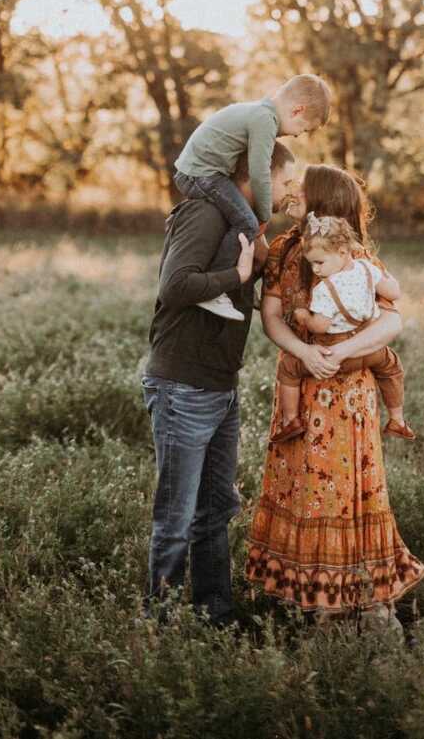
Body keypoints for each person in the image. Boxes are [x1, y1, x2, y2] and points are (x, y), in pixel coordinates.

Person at [245, 163, 424, 627]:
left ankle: (365, 598)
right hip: (301, 389)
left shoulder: (355, 256)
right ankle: (316, 600)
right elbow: (270, 317)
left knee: (349, 494)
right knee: (307, 493)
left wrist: (342, 349)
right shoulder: (287, 251)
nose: (292, 194)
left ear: (323, 201)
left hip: (348, 396)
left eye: (301, 191)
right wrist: (303, 353)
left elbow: (393, 320)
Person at [142, 140, 300, 626]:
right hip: (183, 386)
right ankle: (158, 625)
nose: (286, 192)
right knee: (176, 519)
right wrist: (237, 274)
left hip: (220, 386)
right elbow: (176, 286)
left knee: (215, 508)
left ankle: (216, 615)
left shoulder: (243, 225)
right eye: (284, 182)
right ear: (257, 175)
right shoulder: (204, 213)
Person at [172, 75, 332, 320]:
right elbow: (259, 173)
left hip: (205, 172)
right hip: (199, 174)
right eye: (303, 128)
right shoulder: (264, 120)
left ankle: (241, 289)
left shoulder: (260, 113)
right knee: (248, 222)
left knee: (252, 230)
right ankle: (215, 287)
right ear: (297, 110)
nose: (299, 135)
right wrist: (264, 214)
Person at [273, 211, 416, 444]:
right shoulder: (367, 268)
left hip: (334, 353)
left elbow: (321, 326)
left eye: (319, 262)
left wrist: (304, 317)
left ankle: (290, 421)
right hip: (368, 350)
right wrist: (385, 278)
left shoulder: (324, 289)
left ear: (342, 252)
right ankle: (397, 419)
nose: (316, 270)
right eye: (312, 264)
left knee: (289, 367)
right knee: (391, 366)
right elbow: (393, 293)